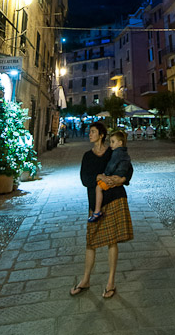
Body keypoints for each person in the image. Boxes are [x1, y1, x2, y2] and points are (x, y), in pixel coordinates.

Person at [70, 121, 133, 300]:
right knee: (91, 241)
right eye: (89, 132)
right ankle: (85, 279)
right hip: (95, 203)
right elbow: (84, 179)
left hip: (114, 198)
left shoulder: (113, 152)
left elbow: (128, 169)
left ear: (102, 135)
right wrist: (97, 176)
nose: (89, 134)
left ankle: (111, 282)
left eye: (93, 132)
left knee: (112, 241)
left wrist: (121, 180)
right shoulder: (87, 156)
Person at [89, 129, 133, 223]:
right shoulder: (123, 152)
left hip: (114, 178)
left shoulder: (116, 152)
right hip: (117, 177)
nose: (110, 144)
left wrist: (107, 175)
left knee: (98, 188)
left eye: (113, 142)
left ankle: (97, 211)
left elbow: (116, 166)